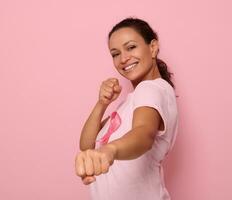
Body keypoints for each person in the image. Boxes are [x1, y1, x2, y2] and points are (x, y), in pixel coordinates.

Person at [75, 17, 179, 200]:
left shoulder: (151, 88)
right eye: (115, 53)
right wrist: (102, 103)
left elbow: (143, 134)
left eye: (131, 47)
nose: (123, 58)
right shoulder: (130, 102)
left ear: (153, 47)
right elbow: (87, 146)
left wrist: (110, 151)